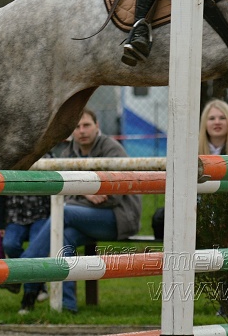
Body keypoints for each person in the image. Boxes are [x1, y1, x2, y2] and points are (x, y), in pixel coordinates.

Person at [19, 108, 142, 313]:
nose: (82, 131)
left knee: (63, 213)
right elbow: (66, 195)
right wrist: (86, 193)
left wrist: (81, 192)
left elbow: (112, 198)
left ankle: (24, 272)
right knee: (65, 236)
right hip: (85, 219)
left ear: (97, 127)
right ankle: (68, 306)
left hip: (120, 218)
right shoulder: (69, 153)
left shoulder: (112, 149)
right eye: (77, 127)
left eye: (86, 125)